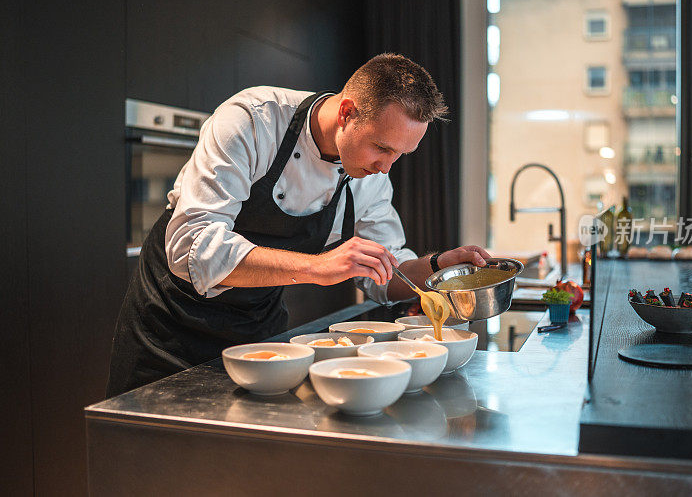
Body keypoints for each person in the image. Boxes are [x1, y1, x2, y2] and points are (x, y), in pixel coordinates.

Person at [106, 53, 490, 397]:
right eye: (382, 148)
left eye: (401, 155)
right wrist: (316, 267)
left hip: (258, 331)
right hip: (169, 326)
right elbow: (193, 246)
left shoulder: (373, 176)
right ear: (347, 113)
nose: (386, 168)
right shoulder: (252, 120)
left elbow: (385, 274)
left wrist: (439, 267)